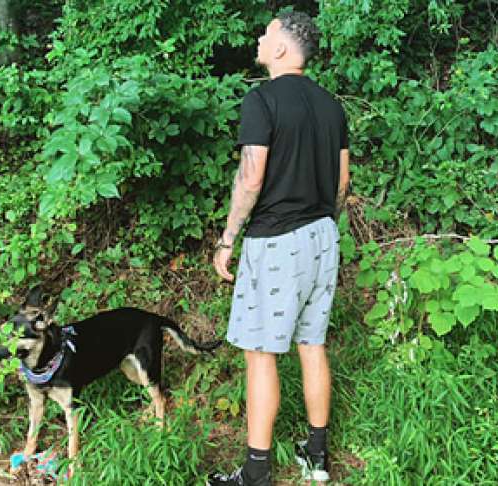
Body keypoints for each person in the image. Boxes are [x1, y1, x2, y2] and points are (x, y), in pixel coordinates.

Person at [209, 10, 349, 486]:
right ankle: (317, 457)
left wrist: (228, 238)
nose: (259, 39)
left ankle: (256, 472)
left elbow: (251, 178)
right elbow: (342, 183)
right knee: (312, 343)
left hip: (275, 240)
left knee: (260, 353)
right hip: (323, 235)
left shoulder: (262, 100)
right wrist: (321, 222)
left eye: (266, 34)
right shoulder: (332, 106)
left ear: (283, 47)